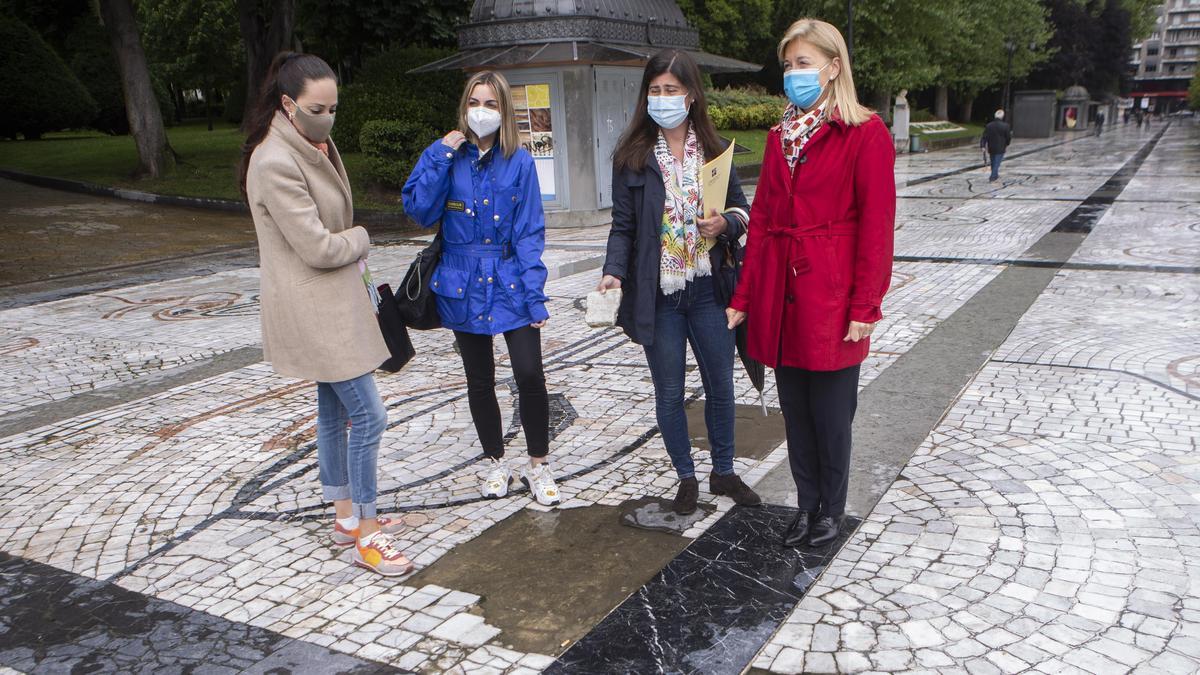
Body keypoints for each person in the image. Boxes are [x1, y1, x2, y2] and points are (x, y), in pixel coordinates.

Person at [726, 18, 895, 548]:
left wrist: (865, 304)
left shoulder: (866, 133)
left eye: (803, 63)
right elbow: (762, 225)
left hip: (832, 297)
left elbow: (877, 226)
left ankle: (831, 512)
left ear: (833, 66)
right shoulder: (780, 138)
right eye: (788, 65)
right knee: (796, 415)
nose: (794, 74)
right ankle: (805, 506)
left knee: (831, 418)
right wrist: (745, 297)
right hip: (783, 296)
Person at [241, 52, 412, 576]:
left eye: (335, 107)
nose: (329, 117)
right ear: (289, 104)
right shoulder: (275, 161)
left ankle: (343, 517)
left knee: (334, 413)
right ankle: (365, 530)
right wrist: (361, 237)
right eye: (320, 108)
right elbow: (317, 247)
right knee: (370, 416)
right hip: (316, 308)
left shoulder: (311, 143)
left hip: (333, 302)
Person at [598, 49, 761, 516]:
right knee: (668, 392)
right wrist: (614, 270)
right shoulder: (631, 157)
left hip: (709, 287)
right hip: (659, 294)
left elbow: (742, 211)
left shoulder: (717, 150)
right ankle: (686, 477)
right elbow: (623, 226)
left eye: (672, 90)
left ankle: (724, 470)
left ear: (691, 95)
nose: (663, 98)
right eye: (656, 90)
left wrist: (725, 225)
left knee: (721, 387)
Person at [403, 71, 561, 507]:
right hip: (461, 280)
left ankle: (539, 464)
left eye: (491, 104)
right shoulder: (447, 156)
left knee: (529, 372)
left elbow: (530, 231)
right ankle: (495, 461)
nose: (482, 111)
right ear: (464, 106)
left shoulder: (520, 161)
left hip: (511, 276)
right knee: (479, 380)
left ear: (504, 111)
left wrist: (534, 292)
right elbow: (418, 209)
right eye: (475, 101)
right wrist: (439, 155)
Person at [981, 109, 1013, 182]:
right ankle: (993, 176)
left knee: (993, 162)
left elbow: (984, 137)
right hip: (1001, 146)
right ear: (1002, 117)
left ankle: (995, 174)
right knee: (997, 163)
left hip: (991, 146)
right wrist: (1007, 143)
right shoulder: (1006, 126)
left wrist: (983, 145)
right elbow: (1008, 137)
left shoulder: (989, 125)